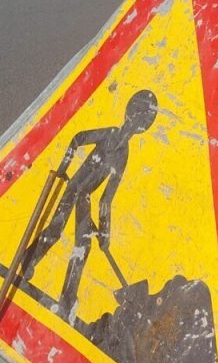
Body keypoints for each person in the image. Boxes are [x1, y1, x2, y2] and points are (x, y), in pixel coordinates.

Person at [22, 89, 159, 317]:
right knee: (55, 230)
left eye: (143, 121)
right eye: (137, 116)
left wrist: (105, 235)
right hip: (73, 187)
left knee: (82, 247)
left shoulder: (123, 154)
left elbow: (106, 199)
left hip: (85, 196)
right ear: (129, 113)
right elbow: (78, 139)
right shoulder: (110, 133)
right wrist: (63, 170)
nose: (136, 124)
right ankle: (28, 261)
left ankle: (67, 298)